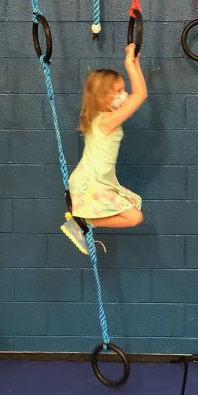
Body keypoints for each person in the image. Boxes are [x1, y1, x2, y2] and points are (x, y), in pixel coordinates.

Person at [61, 43, 148, 253]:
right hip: (90, 183)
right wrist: (130, 64)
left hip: (95, 181)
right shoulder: (106, 121)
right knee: (134, 217)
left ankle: (82, 222)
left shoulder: (100, 119)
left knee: (134, 205)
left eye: (123, 89)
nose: (124, 94)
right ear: (102, 98)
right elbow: (141, 95)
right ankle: (83, 222)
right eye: (118, 91)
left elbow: (137, 94)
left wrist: (135, 63)